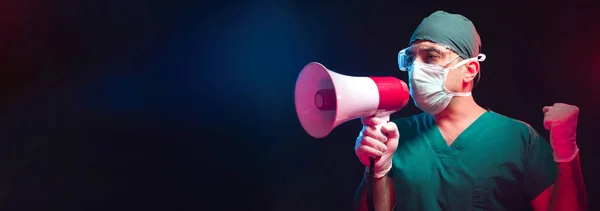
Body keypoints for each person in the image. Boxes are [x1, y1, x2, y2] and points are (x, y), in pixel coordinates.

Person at [353, 11, 587, 211]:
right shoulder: (394, 136)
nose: (416, 69)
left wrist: (566, 154)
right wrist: (376, 171)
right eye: (411, 59)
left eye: (431, 56)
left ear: (469, 70)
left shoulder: (517, 139)